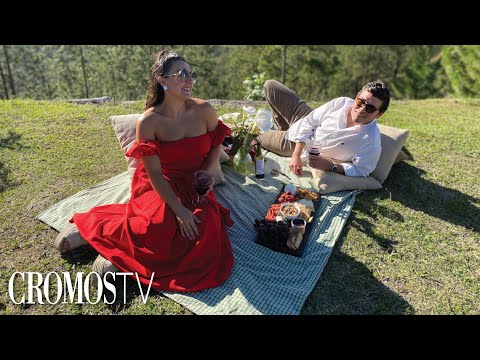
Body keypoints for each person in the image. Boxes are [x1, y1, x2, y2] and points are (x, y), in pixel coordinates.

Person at [53, 50, 235, 292]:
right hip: (161, 183)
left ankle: (121, 255)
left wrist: (209, 172)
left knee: (204, 227)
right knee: (158, 225)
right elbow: (155, 174)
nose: (189, 79)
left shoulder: (204, 110)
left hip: (195, 183)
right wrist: (179, 209)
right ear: (162, 80)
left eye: (191, 73)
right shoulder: (149, 122)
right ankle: (103, 241)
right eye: (182, 74)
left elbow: (215, 142)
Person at [258, 79, 391, 177]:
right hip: (305, 119)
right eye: (361, 102)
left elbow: (361, 170)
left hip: (296, 145)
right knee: (270, 86)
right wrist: (296, 155)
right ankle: (281, 126)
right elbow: (310, 120)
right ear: (356, 97)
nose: (361, 109)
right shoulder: (341, 102)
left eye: (370, 108)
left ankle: (279, 132)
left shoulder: (371, 142)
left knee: (254, 134)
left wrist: (331, 166)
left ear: (379, 114)